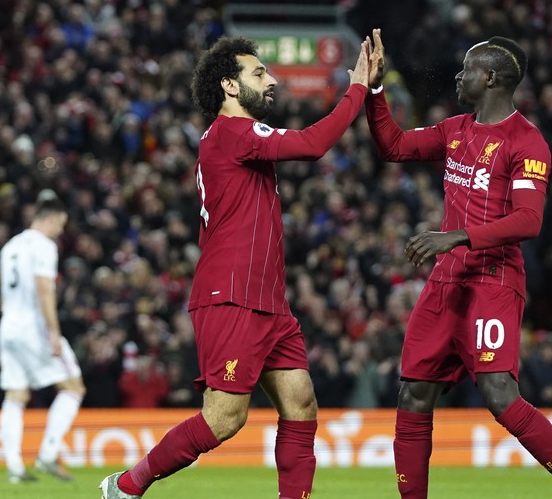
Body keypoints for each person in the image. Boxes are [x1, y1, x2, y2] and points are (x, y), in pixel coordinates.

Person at [100, 35, 371, 499]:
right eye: (259, 73)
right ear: (229, 85)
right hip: (231, 295)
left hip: (268, 301)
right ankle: (125, 486)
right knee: (225, 419)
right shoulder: (232, 134)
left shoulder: (241, 141)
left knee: (301, 404)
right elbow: (312, 144)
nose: (272, 80)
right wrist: (359, 89)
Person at [364, 29, 552, 499]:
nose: (459, 76)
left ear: (491, 77)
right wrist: (376, 91)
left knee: (499, 394)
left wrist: (456, 236)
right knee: (413, 392)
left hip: (493, 279)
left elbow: (528, 220)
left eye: (467, 69)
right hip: (446, 282)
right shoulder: (455, 129)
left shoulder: (527, 142)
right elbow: (392, 145)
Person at [0, 194, 86, 483]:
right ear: (49, 219)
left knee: (16, 394)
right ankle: (48, 454)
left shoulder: (10, 246)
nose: (60, 232)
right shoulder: (44, 246)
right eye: (60, 226)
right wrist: (54, 333)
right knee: (73, 386)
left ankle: (14, 468)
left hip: (8, 326)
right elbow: (44, 289)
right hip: (33, 328)